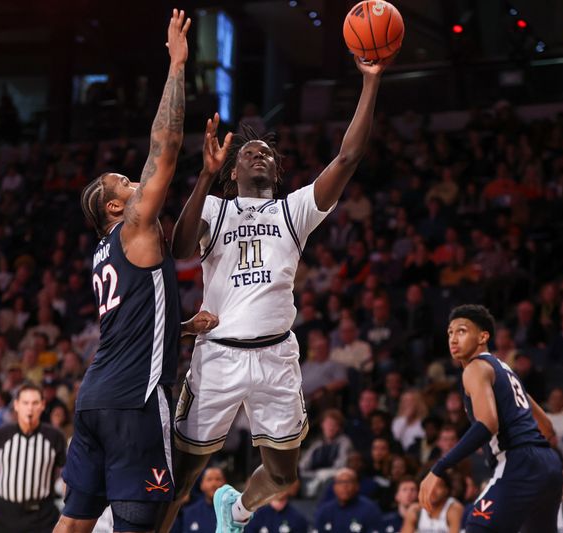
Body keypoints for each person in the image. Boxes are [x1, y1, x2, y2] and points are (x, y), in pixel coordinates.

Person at [162, 53, 391, 532]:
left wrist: (370, 81)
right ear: (232, 170)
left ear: (278, 170)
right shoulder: (215, 209)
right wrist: (204, 176)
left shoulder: (294, 211)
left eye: (267, 151)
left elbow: (348, 157)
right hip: (218, 357)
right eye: (249, 152)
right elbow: (181, 250)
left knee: (284, 475)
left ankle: (237, 510)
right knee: (182, 477)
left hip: (275, 358)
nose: (258, 153)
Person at [52, 11, 215, 533]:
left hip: (93, 400)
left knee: (74, 523)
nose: (133, 181)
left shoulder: (106, 252)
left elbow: (135, 322)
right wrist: (176, 65)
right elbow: (163, 149)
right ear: (117, 209)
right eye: (124, 183)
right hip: (133, 403)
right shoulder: (133, 230)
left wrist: (182, 328)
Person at [419, 304, 563, 533]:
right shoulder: (505, 370)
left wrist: (438, 468)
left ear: (483, 336)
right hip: (548, 464)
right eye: (450, 333)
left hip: (519, 463)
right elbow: (546, 426)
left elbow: (487, 424)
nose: (453, 339)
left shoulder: (475, 369)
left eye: (462, 331)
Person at [0, 383, 66, 533]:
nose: (30, 408)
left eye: (35, 403)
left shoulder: (54, 437)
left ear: (42, 405)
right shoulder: (1, 435)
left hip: (42, 515)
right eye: (25, 403)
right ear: (16, 405)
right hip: (4, 514)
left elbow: (69, 475)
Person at [313, 468, 383, 533]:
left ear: (357, 486)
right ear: (334, 487)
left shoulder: (370, 510)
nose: (344, 486)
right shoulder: (324, 511)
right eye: (340, 482)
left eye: (349, 482)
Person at [180, 467, 225, 533]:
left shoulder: (236, 511)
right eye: (209, 479)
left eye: (218, 479)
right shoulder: (189, 513)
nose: (214, 484)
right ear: (202, 485)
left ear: (224, 484)